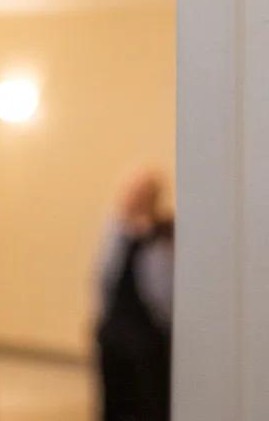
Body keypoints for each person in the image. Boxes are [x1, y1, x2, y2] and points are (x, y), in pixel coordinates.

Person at [94, 170, 174, 421]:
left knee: (149, 400)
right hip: (114, 328)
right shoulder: (115, 230)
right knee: (113, 399)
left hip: (147, 331)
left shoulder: (164, 234)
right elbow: (103, 276)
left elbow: (164, 286)